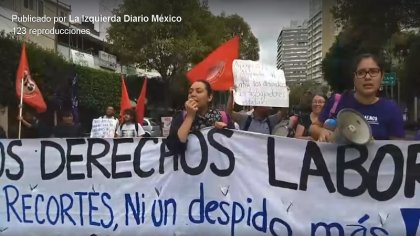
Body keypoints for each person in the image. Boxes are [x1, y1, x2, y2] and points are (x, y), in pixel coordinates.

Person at [311, 53, 405, 141]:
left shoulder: (391, 109)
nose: (367, 77)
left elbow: (399, 149)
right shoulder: (338, 101)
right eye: (361, 72)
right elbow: (313, 128)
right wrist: (321, 132)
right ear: (354, 77)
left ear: (382, 76)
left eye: (373, 71)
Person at [167, 80, 234, 153]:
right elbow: (174, 148)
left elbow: (234, 145)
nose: (193, 94)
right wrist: (190, 116)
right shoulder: (180, 117)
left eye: (199, 91)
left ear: (209, 97)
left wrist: (224, 131)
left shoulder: (223, 117)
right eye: (190, 92)